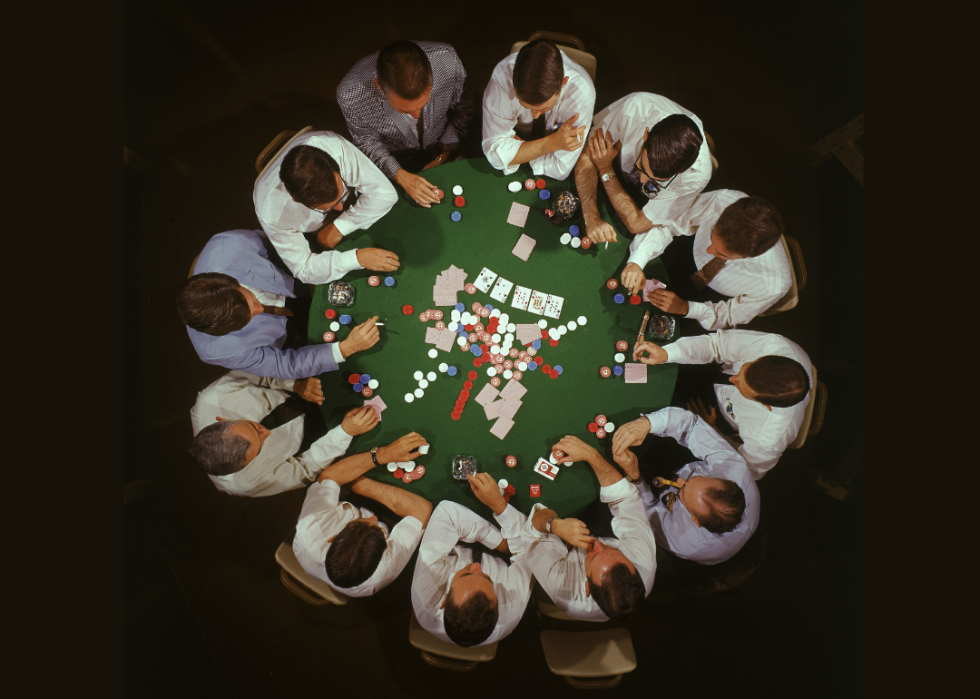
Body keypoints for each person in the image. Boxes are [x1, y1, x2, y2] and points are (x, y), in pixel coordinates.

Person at [178, 229, 380, 380]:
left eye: (251, 299)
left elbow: (277, 244)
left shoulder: (229, 245)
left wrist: (309, 274)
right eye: (247, 320)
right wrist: (345, 348)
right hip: (289, 335)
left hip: (290, 279)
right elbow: (286, 365)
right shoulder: (216, 351)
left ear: (231, 281)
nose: (260, 310)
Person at [633, 329, 813, 479]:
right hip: (714, 373)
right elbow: (717, 344)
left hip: (718, 420)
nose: (733, 378)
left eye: (740, 386)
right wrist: (667, 353)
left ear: (765, 406)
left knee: (659, 452)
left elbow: (742, 470)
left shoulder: (768, 439)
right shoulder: (773, 345)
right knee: (664, 357)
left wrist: (712, 433)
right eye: (743, 370)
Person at [521, 435, 656, 622]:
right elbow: (625, 499)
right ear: (632, 565)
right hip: (607, 526)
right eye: (612, 549)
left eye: (593, 556)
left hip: (563, 545)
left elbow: (532, 530)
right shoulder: (642, 561)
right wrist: (591, 455)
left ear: (586, 586)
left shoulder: (562, 586)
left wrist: (556, 525)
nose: (597, 544)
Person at [622, 190, 792, 330]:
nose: (709, 251)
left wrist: (686, 308)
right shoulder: (725, 200)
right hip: (684, 250)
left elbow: (730, 315)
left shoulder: (773, 286)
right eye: (712, 237)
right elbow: (670, 223)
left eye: (722, 254)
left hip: (708, 299)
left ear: (749, 257)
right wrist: (637, 260)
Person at [189, 372, 379, 497]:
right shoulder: (243, 483)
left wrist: (295, 384)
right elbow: (305, 468)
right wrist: (344, 432)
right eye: (259, 447)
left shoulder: (215, 395)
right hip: (315, 438)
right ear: (245, 465)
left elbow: (258, 374)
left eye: (252, 426)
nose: (266, 433)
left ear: (222, 419)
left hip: (296, 389)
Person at [292, 431, 433, 597]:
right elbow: (422, 509)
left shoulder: (311, 527)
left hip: (348, 498)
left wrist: (384, 455)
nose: (373, 518)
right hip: (368, 501)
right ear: (381, 554)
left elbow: (329, 476)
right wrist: (360, 486)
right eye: (378, 531)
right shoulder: (384, 569)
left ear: (333, 537)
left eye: (360, 523)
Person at [611, 407, 759, 565]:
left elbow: (647, 510)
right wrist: (647, 423)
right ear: (726, 480)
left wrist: (635, 478)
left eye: (682, 491)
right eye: (698, 477)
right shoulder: (734, 470)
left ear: (695, 520)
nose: (680, 481)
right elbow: (690, 426)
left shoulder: (680, 540)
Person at [337, 40, 474, 209]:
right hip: (396, 155)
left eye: (422, 106)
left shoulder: (447, 60)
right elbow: (367, 143)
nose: (417, 116)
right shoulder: (351, 94)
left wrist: (444, 154)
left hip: (445, 140)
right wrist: (400, 175)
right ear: (378, 85)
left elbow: (465, 111)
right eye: (403, 110)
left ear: (433, 76)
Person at [253, 130, 401, 281]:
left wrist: (340, 226)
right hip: (312, 234)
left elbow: (385, 193)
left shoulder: (336, 149)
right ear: (297, 200)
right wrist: (357, 259)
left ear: (334, 167)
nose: (340, 209)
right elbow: (302, 269)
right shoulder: (272, 212)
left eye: (340, 197)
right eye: (328, 207)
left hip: (342, 216)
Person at [575, 92, 713, 246]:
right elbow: (587, 154)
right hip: (617, 167)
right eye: (642, 167)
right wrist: (591, 216)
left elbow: (636, 223)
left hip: (643, 199)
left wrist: (605, 168)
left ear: (680, 172)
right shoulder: (635, 109)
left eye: (655, 180)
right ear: (646, 134)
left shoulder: (695, 177)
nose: (642, 180)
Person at [411, 474, 531, 647]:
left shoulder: (425, 587)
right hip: (502, 554)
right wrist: (499, 506)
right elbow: (528, 549)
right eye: (487, 578)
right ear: (498, 603)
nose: (476, 566)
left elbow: (447, 512)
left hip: (460, 542)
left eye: (465, 575)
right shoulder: (512, 604)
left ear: (444, 600)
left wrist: (499, 542)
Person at [482, 38, 595, 181]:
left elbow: (560, 169)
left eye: (544, 108)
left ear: (563, 84)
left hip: (523, 145)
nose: (535, 116)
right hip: (537, 138)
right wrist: (551, 143)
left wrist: (514, 150)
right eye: (526, 106)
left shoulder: (582, 94)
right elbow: (493, 152)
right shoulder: (502, 77)